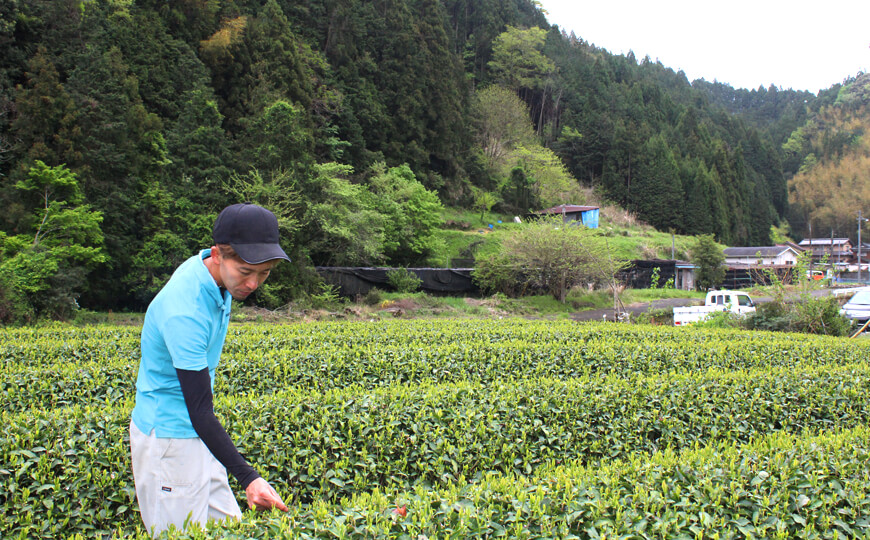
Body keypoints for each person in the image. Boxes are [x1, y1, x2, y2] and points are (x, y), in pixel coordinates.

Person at [129, 202, 290, 535]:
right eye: (246, 272)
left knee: (227, 527)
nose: (253, 284)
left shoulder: (215, 277)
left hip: (197, 434)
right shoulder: (184, 312)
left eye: (264, 273)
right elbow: (200, 409)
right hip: (171, 439)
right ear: (217, 254)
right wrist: (249, 478)